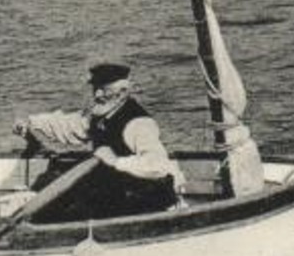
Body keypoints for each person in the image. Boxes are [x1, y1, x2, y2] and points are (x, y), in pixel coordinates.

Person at [13, 63, 186, 222]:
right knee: (53, 179)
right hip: (116, 188)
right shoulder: (99, 114)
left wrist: (116, 161)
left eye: (104, 89)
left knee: (70, 209)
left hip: (141, 196)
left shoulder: (138, 124)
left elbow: (158, 165)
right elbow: (71, 125)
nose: (97, 95)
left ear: (123, 92)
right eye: (95, 88)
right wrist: (32, 123)